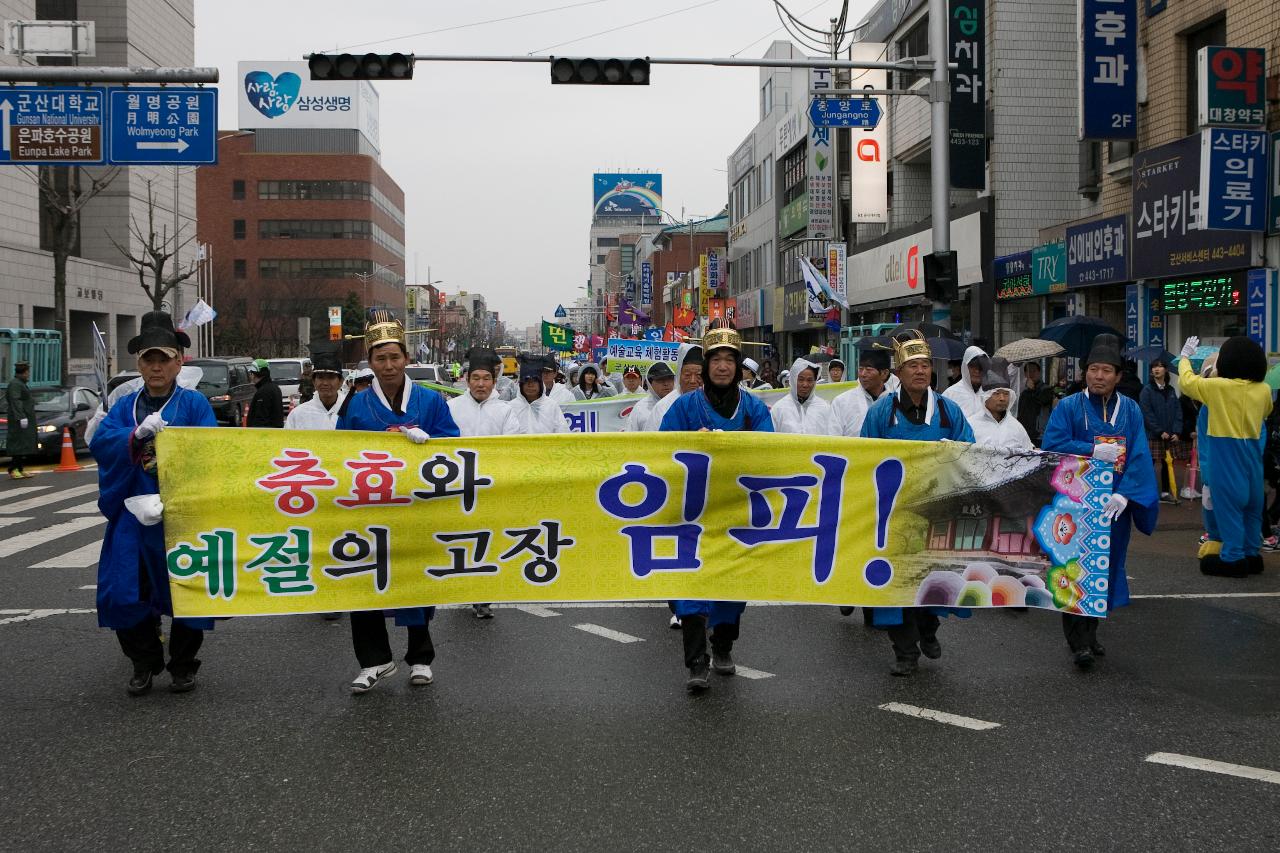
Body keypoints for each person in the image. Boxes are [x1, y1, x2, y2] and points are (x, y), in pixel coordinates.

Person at [91, 311, 219, 695]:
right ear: (139, 363)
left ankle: (183, 664)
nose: (157, 366)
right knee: (123, 590)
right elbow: (101, 444)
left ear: (179, 361)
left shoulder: (194, 405)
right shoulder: (123, 407)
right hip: (132, 513)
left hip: (179, 515)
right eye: (149, 359)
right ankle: (143, 662)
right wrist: (134, 435)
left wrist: (177, 494)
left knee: (187, 590)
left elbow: (209, 454)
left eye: (165, 358)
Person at [337, 310, 460, 693]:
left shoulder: (430, 399)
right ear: (370, 362)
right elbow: (339, 453)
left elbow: (453, 447)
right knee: (364, 579)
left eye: (394, 357)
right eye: (380, 358)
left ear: (406, 358)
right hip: (370, 507)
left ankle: (420, 657)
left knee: (418, 579)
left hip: (417, 506)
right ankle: (375, 660)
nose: (388, 365)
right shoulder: (355, 405)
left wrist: (430, 442)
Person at [660, 320, 774, 692]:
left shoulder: (754, 409)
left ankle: (723, 646)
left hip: (737, 512)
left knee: (730, 587)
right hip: (692, 513)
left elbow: (771, 453)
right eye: (716, 359)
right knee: (691, 587)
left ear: (739, 366)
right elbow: (660, 453)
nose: (723, 366)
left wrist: (739, 444)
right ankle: (696, 662)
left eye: (730, 359)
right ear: (706, 366)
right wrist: (691, 443)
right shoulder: (684, 407)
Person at [1041, 333, 1158, 670]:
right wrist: (1091, 449)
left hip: (1114, 508)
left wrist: (1126, 494)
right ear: (1085, 373)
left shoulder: (1131, 410)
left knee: (1103, 567)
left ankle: (1091, 633)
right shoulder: (1069, 406)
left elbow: (1138, 454)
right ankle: (1078, 641)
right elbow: (1053, 442)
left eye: (1107, 370)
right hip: (1075, 507)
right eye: (1093, 369)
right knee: (1074, 567)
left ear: (1118, 376)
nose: (1099, 376)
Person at [860, 333, 974, 675]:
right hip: (894, 513)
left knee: (934, 579)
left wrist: (950, 453)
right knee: (898, 585)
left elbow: (969, 448)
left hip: (937, 509)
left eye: (925, 365)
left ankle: (928, 630)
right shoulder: (882, 410)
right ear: (898, 371)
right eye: (912, 366)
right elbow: (865, 455)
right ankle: (905, 653)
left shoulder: (948, 410)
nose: (920, 371)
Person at [1177, 335, 1272, 578]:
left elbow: (1187, 383)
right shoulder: (1264, 390)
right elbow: (1266, 412)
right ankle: (1252, 554)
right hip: (1252, 459)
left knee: (1228, 509)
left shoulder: (1218, 388)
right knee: (1252, 509)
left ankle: (1232, 558)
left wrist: (1185, 357)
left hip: (1226, 459)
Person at [449, 348, 525, 619]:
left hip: (492, 489)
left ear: (494, 381)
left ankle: (483, 594)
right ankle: (462, 584)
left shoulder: (505, 411)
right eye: (476, 378)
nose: (481, 384)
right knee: (460, 540)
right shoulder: (452, 407)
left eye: (486, 379)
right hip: (458, 488)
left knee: (488, 542)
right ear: (467, 379)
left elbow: (513, 449)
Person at [1138, 358, 1183, 503]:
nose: (1156, 369)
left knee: (1167, 463)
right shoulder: (1147, 390)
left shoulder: (1170, 390)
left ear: (1165, 370)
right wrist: (1159, 431)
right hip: (1153, 435)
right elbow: (1146, 413)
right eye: (1154, 367)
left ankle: (1165, 493)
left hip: (1169, 435)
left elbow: (1178, 412)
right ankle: (1144, 492)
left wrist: (1176, 431)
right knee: (1148, 464)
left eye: (1160, 366)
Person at [970, 357, 1034, 451]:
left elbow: (1028, 454)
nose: (1002, 398)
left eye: (1006, 394)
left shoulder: (1016, 427)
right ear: (985, 398)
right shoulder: (971, 425)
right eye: (996, 394)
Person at [831, 349, 893, 438]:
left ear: (884, 373)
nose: (863, 374)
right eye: (860, 369)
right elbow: (832, 440)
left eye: (868, 370)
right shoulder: (842, 402)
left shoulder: (895, 402)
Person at [770, 357, 838, 435]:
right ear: (793, 380)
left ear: (815, 381)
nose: (805, 385)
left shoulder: (824, 408)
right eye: (801, 379)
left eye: (809, 380)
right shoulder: (779, 408)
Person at [284, 351, 346, 430]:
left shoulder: (351, 411)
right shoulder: (298, 414)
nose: (325, 383)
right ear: (313, 381)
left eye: (331, 377)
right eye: (320, 377)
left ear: (340, 381)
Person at [649, 344, 703, 434]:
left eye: (699, 375)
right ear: (679, 375)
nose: (693, 381)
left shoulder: (712, 403)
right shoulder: (663, 407)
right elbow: (652, 442)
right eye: (687, 375)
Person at [511, 353, 569, 434]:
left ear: (540, 383)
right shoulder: (511, 408)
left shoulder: (551, 407)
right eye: (526, 380)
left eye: (535, 380)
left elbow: (563, 435)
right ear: (521, 383)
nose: (530, 385)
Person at [4, 361, 38, 479]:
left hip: (24, 417)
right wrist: (21, 416)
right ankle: (13, 469)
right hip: (17, 419)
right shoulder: (16, 384)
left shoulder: (20, 383)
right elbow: (15, 400)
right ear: (23, 373)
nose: (28, 374)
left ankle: (20, 468)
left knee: (23, 444)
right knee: (17, 444)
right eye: (27, 372)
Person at [941, 345, 989, 422]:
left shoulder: (991, 393)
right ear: (965, 368)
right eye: (973, 367)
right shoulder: (950, 395)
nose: (977, 371)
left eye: (981, 367)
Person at [624, 362, 675, 432]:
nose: (666, 384)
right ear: (650, 384)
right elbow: (629, 435)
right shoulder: (640, 408)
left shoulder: (681, 404)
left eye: (669, 379)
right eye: (660, 380)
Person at [1017, 361, 1054, 445]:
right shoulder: (1024, 393)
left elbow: (1042, 401)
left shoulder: (1046, 389)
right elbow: (1021, 412)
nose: (1031, 374)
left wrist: (1032, 390)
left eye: (1034, 371)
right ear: (1025, 374)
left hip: (1039, 434)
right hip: (1025, 434)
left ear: (1039, 372)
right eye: (1029, 371)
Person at [246, 358, 284, 428]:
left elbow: (260, 418)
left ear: (254, 374)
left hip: (264, 435)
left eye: (251, 373)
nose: (250, 376)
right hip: (275, 433)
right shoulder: (275, 388)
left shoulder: (263, 392)